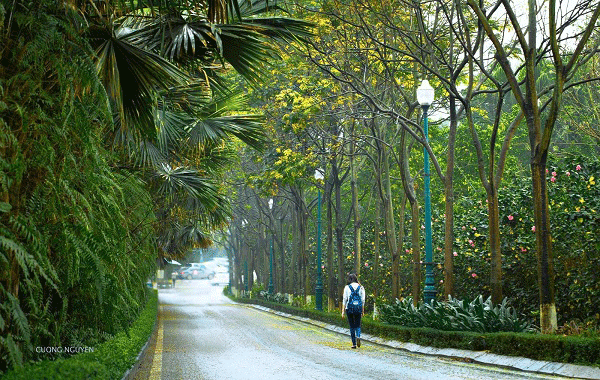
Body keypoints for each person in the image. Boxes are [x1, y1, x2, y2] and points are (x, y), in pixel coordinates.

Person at [341, 273, 365, 349]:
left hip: (349, 308)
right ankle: (358, 336)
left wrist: (343, 311)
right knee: (358, 324)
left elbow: (344, 299)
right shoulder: (361, 287)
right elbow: (363, 300)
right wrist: (363, 310)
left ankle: (354, 343)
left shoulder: (347, 287)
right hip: (358, 308)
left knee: (352, 326)